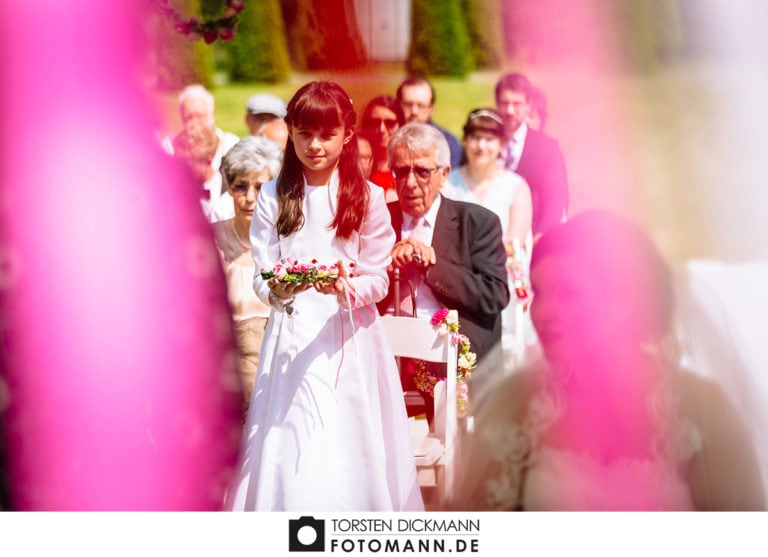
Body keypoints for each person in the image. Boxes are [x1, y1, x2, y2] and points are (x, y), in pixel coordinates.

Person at [448, 211, 765, 511]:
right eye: (539, 293)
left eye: (567, 294)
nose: (542, 313)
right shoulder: (516, 403)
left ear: (623, 302)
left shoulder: (700, 408)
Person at [226, 81, 423, 512]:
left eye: (326, 135)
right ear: (290, 132)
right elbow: (264, 271)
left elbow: (377, 278)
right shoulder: (275, 196)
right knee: (292, 435)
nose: (314, 146)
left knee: (348, 434)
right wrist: (278, 287)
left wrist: (345, 288)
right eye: (304, 134)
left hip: (348, 336)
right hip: (291, 336)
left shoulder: (366, 197)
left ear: (347, 134)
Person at [377, 122, 510, 411]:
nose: (410, 183)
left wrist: (430, 265)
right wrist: (387, 268)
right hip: (385, 357)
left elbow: (494, 296)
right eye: (401, 171)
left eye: (422, 171)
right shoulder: (378, 222)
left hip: (452, 358)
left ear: (444, 174)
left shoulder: (476, 223)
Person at [442, 108, 533, 366]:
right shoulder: (449, 183)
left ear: (502, 144)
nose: (481, 146)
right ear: (465, 140)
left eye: (489, 139)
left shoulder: (516, 186)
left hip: (498, 279)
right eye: (475, 138)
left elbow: (515, 241)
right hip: (457, 280)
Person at [212, 136, 283, 420]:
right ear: (228, 187)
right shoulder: (211, 241)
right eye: (240, 186)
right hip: (227, 383)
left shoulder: (286, 242)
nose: (250, 197)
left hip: (278, 380)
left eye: (260, 187)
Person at [495, 73, 568, 240]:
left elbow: (555, 197)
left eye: (517, 104)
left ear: (528, 105)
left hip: (530, 235)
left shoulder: (547, 147)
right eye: (504, 103)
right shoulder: (486, 142)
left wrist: (540, 235)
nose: (510, 111)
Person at [396, 75, 463, 168]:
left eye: (421, 105)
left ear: (431, 109)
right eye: (408, 104)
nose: (414, 111)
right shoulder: (388, 138)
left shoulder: (448, 144)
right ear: (399, 105)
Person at [359, 95, 404, 203]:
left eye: (390, 123)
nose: (381, 129)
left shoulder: (409, 165)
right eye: (375, 122)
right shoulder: (355, 164)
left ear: (401, 126)